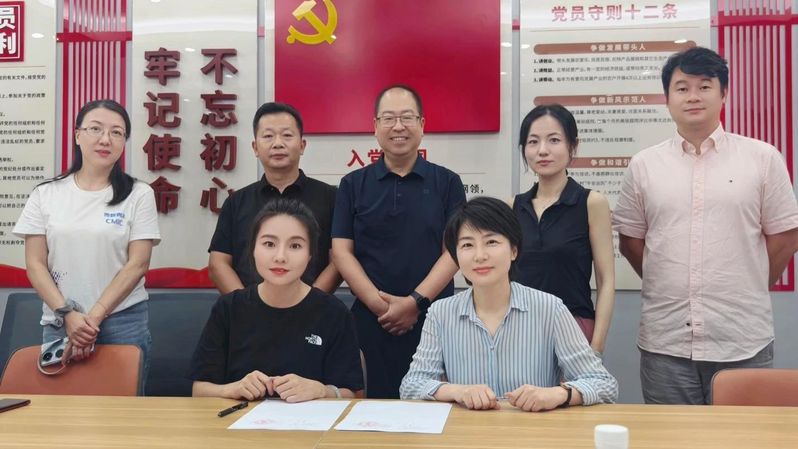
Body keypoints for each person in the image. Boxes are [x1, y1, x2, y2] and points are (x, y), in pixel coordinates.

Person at [613, 46, 798, 404]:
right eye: (682, 88)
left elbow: (786, 237)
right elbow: (631, 241)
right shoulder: (644, 165)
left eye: (705, 86)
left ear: (724, 93)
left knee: (743, 434)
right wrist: (667, 278)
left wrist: (750, 282)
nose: (693, 96)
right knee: (672, 434)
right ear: (667, 98)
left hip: (742, 338)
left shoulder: (762, 158)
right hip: (666, 342)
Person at [400, 197, 618, 411]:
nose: (480, 256)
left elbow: (604, 384)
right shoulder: (441, 313)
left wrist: (558, 394)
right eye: (467, 245)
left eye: (491, 242)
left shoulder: (550, 309)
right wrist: (458, 391)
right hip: (468, 431)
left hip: (531, 430)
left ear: (514, 250)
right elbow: (411, 385)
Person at [331, 84, 467, 398]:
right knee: (368, 409)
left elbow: (454, 252)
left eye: (407, 117)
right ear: (375, 126)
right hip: (370, 321)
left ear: (422, 124)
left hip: (435, 319)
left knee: (435, 405)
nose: (398, 126)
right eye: (389, 118)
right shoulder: (352, 184)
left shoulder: (448, 182)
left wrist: (414, 303)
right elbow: (341, 251)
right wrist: (382, 307)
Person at [13, 99, 160, 379]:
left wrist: (91, 320)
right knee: (58, 403)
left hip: (123, 321)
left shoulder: (139, 194)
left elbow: (138, 264)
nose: (106, 139)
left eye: (117, 132)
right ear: (78, 135)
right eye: (95, 129)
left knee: (122, 404)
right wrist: (68, 315)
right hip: (60, 321)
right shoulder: (45, 194)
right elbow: (35, 264)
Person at [190, 198, 363, 401]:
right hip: (239, 420)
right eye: (269, 244)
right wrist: (231, 389)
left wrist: (322, 391)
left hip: (309, 421)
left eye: (295, 246)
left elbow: (353, 394)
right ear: (253, 249)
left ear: (310, 254)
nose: (280, 257)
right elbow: (199, 390)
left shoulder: (334, 313)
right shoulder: (228, 308)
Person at [513, 104, 615, 354]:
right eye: (533, 142)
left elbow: (606, 280)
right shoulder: (512, 206)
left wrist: (596, 346)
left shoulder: (591, 203)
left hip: (574, 329)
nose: (542, 150)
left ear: (573, 145)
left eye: (554, 140)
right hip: (518, 331)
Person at [208, 102, 339, 294]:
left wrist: (311, 303)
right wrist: (245, 305)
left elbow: (338, 261)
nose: (278, 143)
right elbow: (218, 263)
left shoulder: (331, 198)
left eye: (287, 135)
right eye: (268, 136)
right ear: (255, 147)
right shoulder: (236, 202)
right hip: (248, 309)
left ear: (302, 145)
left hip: (315, 309)